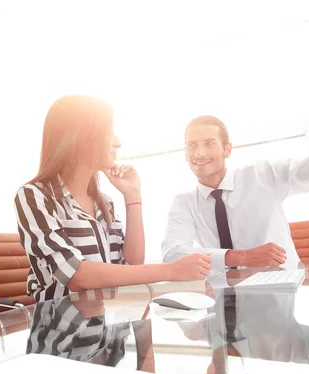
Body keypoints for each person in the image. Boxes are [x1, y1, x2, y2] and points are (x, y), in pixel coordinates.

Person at [14, 95, 211, 302]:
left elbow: (131, 265)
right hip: (63, 328)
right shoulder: (33, 197)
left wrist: (133, 197)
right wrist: (171, 271)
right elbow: (76, 274)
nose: (118, 142)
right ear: (79, 137)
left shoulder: (103, 202)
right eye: (109, 133)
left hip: (109, 322)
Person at [162, 115, 309, 268]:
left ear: (227, 149)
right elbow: (173, 254)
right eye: (192, 146)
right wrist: (241, 257)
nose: (199, 153)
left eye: (209, 143)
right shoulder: (184, 203)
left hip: (280, 294)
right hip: (223, 300)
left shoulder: (262, 176)